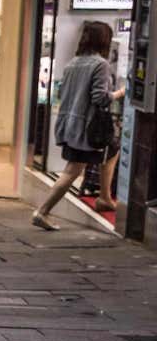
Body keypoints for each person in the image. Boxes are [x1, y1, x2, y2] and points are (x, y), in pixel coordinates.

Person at [32, 21, 124, 231]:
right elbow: (100, 98)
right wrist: (120, 92)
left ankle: (104, 197)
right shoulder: (100, 64)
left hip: (71, 124)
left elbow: (63, 94)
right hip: (86, 128)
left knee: (112, 150)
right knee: (72, 170)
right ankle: (42, 211)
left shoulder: (73, 63)